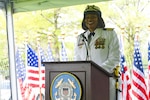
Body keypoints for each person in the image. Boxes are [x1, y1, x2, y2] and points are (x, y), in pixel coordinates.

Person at [74, 5, 121, 100]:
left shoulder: (109, 34)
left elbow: (114, 58)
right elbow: (77, 59)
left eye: (93, 17)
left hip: (104, 79)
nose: (89, 20)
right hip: (85, 81)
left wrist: (97, 72)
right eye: (87, 17)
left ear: (99, 19)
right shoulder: (80, 38)